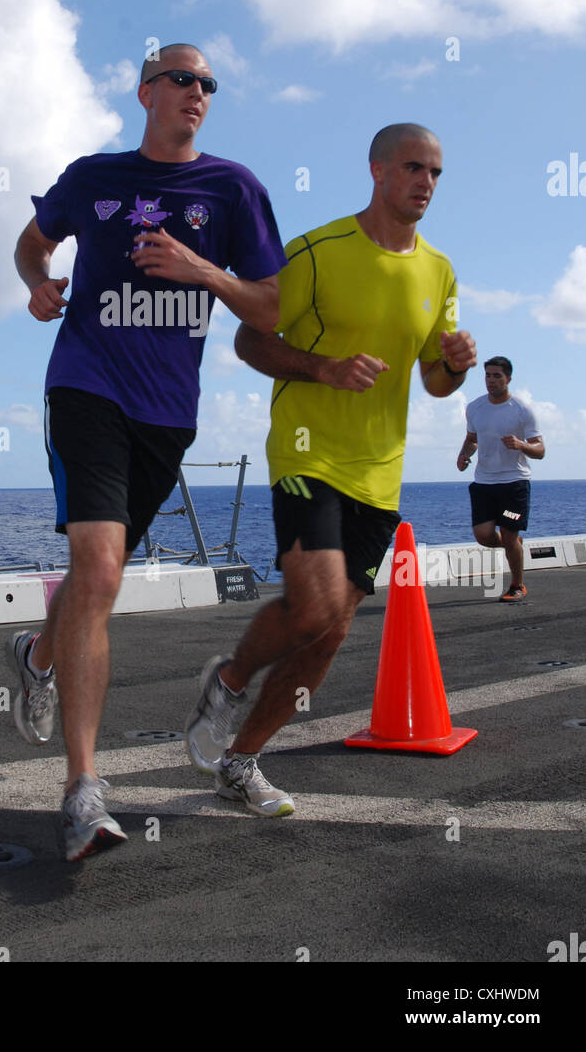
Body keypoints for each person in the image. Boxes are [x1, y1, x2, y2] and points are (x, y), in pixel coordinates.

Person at [12, 43, 286, 860]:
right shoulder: (93, 178)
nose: (197, 93)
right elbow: (33, 242)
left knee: (104, 576)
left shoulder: (233, 189)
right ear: (145, 92)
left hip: (169, 414)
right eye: (182, 79)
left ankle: (35, 656)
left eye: (208, 84)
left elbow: (269, 306)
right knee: (96, 570)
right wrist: (36, 282)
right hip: (87, 385)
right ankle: (83, 790)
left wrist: (203, 268)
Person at [185, 122, 477, 816]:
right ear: (377, 170)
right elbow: (250, 339)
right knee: (312, 606)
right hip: (307, 452)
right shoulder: (318, 250)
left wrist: (455, 366)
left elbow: (434, 382)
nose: (426, 184)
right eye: (413, 168)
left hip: (380, 474)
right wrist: (323, 368)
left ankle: (240, 760)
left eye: (436, 173)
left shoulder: (439, 271)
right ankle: (227, 681)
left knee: (331, 630)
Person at [457, 356, 544, 601]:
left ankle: (517, 585)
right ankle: (514, 544)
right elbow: (472, 438)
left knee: (508, 533)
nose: (491, 380)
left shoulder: (522, 410)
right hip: (484, 483)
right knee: (484, 536)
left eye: (497, 376)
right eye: (488, 375)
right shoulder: (475, 407)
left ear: (508, 379)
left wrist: (520, 445)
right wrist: (464, 455)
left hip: (514, 483)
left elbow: (540, 451)